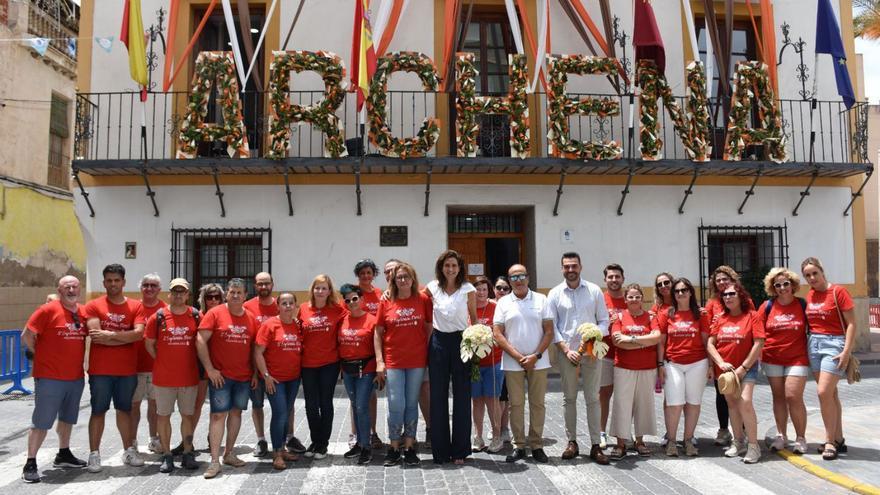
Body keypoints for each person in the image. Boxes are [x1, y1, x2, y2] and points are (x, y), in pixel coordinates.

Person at [21, 276, 88, 483]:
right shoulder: (47, 310)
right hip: (49, 377)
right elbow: (27, 335)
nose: (71, 289)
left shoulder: (84, 312)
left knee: (68, 418)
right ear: (59, 290)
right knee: (41, 421)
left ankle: (63, 454)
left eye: (74, 286)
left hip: (75, 377)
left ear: (79, 289)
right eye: (66, 286)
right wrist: (40, 354)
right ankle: (30, 462)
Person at [547, 253, 610, 464]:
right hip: (568, 353)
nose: (571, 270)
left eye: (574, 266)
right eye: (566, 266)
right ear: (562, 269)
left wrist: (594, 336)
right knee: (569, 398)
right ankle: (572, 442)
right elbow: (552, 326)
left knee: (593, 397)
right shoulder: (555, 294)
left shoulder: (594, 291)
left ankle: (595, 444)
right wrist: (565, 349)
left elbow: (604, 321)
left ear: (581, 267)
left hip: (591, 352)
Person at [84, 264, 145, 472]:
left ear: (123, 282)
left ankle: (128, 450)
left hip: (127, 370)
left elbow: (138, 334)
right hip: (100, 370)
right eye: (109, 280)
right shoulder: (93, 305)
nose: (113, 284)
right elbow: (96, 336)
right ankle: (94, 454)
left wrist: (110, 335)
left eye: (116, 280)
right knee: (98, 410)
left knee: (125, 410)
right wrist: (123, 338)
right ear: (103, 283)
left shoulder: (136, 306)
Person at [196, 278, 259, 479]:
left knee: (236, 414)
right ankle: (214, 461)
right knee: (217, 415)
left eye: (239, 292)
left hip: (243, 377)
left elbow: (254, 349)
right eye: (232, 292)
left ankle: (229, 453)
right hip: (220, 378)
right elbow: (200, 340)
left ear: (245, 295)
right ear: (227, 294)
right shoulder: (215, 313)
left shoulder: (251, 318)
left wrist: (256, 373)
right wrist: (210, 369)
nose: (235, 295)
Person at [493, 264, 553, 464]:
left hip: (538, 361)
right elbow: (498, 333)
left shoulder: (541, 299)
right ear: (509, 281)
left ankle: (536, 444)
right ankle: (519, 445)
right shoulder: (503, 303)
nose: (518, 280)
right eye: (513, 277)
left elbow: (549, 331)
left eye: (521, 276)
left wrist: (535, 356)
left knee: (538, 404)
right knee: (516, 405)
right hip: (513, 362)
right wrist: (519, 357)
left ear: (528, 278)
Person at [375, 262, 433, 466]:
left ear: (413, 279)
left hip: (417, 361)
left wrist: (425, 350)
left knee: (410, 404)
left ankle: (408, 447)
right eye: (399, 277)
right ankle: (393, 447)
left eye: (406, 277)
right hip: (394, 361)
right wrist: (380, 361)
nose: (403, 280)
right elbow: (378, 332)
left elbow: (429, 327)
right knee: (396, 403)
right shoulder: (387, 300)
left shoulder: (423, 298)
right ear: (393, 280)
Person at [801, 257, 856, 461]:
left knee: (823, 392)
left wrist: (847, 351)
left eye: (815, 273)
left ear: (822, 271)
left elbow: (851, 324)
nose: (812, 278)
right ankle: (839, 438)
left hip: (835, 344)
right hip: (814, 343)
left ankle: (829, 441)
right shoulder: (811, 295)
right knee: (831, 394)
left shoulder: (838, 292)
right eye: (807, 275)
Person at [425, 250, 477, 465]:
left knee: (462, 396)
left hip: (461, 342)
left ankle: (460, 451)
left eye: (454, 265)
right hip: (438, 343)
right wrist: (388, 294)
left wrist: (477, 342)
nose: (450, 269)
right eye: (447, 265)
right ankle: (440, 451)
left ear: (460, 267)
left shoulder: (468, 289)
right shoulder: (431, 288)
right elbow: (410, 298)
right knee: (437, 397)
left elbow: (473, 318)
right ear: (441, 267)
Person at [144, 278, 200, 473]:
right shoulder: (158, 317)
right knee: (163, 416)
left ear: (187, 295)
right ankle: (167, 455)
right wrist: (162, 360)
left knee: (187, 416)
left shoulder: (195, 315)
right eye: (174, 291)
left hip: (188, 377)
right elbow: (149, 344)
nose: (178, 295)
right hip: (164, 378)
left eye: (182, 292)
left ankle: (187, 453)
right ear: (169, 294)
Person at [707, 282, 764, 464]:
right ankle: (738, 441)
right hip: (726, 371)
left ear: (740, 296)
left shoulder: (752, 316)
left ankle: (754, 446)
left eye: (732, 294)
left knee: (745, 402)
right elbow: (710, 343)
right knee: (732, 405)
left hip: (746, 368)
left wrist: (744, 368)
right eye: (725, 295)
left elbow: (758, 343)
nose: (728, 297)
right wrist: (720, 362)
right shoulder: (720, 318)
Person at [654, 278, 710, 457]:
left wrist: (710, 365)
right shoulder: (667, 314)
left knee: (693, 403)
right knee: (674, 403)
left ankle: (688, 440)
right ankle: (671, 440)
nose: (680, 293)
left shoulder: (700, 314)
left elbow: (706, 340)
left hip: (698, 363)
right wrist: (660, 364)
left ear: (690, 292)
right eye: (677, 291)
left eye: (684, 290)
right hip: (673, 364)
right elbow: (661, 342)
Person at [758, 268, 810, 455]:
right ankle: (781, 435)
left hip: (797, 358)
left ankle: (801, 438)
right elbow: (758, 331)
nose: (782, 288)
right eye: (777, 285)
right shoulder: (767, 306)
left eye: (785, 284)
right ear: (773, 287)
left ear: (793, 285)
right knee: (778, 398)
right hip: (772, 357)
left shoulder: (802, 304)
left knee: (793, 396)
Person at [608, 284, 661, 460]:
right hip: (623, 367)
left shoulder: (650, 316)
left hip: (647, 368)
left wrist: (631, 339)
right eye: (630, 297)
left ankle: (639, 441)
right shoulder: (619, 317)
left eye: (637, 296)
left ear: (641, 298)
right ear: (625, 299)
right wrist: (643, 342)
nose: (634, 299)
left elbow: (656, 338)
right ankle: (620, 443)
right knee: (622, 404)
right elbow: (617, 341)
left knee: (643, 404)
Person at [172, 283, 225, 456]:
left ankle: (213, 438)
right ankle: (187, 440)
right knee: (197, 404)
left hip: (220, 365)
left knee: (218, 406)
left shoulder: (224, 315)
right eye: (210, 296)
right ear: (204, 299)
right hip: (201, 365)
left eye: (217, 296)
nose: (214, 300)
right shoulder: (197, 316)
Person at [704, 266, 754, 447]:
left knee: (741, 397)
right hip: (721, 359)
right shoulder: (711, 304)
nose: (722, 283)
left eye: (725, 279)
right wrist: (711, 364)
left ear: (733, 280)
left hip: (742, 358)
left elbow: (751, 328)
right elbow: (709, 336)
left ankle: (744, 430)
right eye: (718, 280)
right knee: (722, 394)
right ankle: (724, 429)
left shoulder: (745, 300)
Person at [254, 293, 303, 470]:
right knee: (280, 413)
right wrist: (265, 376)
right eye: (284, 303)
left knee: (287, 411)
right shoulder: (270, 325)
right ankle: (276, 453)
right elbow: (258, 352)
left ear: (296, 306)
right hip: (275, 379)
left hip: (293, 378)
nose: (288, 306)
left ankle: (282, 448)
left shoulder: (298, 325)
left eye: (291, 303)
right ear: (278, 306)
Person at [299, 274, 345, 459]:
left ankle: (323, 443)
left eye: (324, 288)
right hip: (308, 364)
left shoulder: (337, 309)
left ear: (329, 291)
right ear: (312, 290)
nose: (320, 291)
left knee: (325, 403)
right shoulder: (303, 308)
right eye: (317, 288)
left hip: (329, 364)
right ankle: (315, 440)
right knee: (310, 405)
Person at [338, 284, 379, 465]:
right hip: (348, 371)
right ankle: (359, 443)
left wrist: (380, 368)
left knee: (362, 406)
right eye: (348, 300)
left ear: (362, 300)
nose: (352, 302)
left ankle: (366, 446)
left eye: (355, 298)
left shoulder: (372, 320)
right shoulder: (343, 320)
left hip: (366, 370)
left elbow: (379, 346)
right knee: (355, 406)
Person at [243, 272, 278, 459]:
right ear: (255, 286)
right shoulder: (247, 307)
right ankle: (261, 439)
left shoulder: (279, 305)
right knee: (257, 404)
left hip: (277, 366)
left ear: (273, 284)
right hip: (254, 367)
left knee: (282, 406)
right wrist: (254, 372)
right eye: (260, 284)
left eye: (267, 283)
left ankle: (285, 438)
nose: (263, 287)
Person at [131, 273, 167, 456]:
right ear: (141, 288)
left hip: (156, 367)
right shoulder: (133, 308)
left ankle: (154, 439)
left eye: (153, 285)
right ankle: (132, 441)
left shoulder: (165, 310)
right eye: (146, 285)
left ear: (160, 290)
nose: (149, 288)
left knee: (155, 406)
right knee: (133, 406)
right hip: (133, 366)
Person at [352, 259, 384, 450]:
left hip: (375, 350)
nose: (365, 276)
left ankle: (372, 432)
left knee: (371, 395)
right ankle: (355, 433)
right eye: (362, 273)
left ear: (373, 274)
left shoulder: (380, 294)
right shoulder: (353, 294)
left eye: (369, 273)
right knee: (355, 397)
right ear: (358, 275)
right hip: (357, 350)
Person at [471, 276, 504, 453]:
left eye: (484, 289)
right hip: (475, 364)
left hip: (493, 361)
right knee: (476, 400)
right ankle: (478, 436)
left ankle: (497, 435)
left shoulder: (496, 308)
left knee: (492, 400)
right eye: (478, 290)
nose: (481, 293)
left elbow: (503, 333)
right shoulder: (468, 309)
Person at [600, 263, 627, 449]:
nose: (614, 280)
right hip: (605, 354)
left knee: (624, 397)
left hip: (626, 356)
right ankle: (601, 432)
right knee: (604, 395)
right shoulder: (600, 300)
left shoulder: (630, 299)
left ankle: (624, 432)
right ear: (605, 280)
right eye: (610, 277)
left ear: (622, 279)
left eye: (617, 276)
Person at [493, 276, 512, 443]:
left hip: (508, 356)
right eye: (499, 287)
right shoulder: (490, 305)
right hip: (492, 358)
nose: (502, 291)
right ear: (494, 289)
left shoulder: (512, 306)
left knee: (505, 396)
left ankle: (504, 428)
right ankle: (496, 427)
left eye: (506, 288)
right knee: (496, 396)